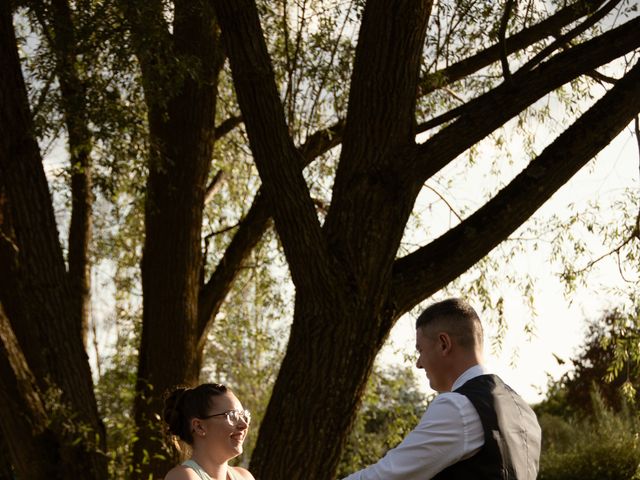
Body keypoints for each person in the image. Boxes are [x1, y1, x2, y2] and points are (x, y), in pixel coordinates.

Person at [342, 298, 541, 479]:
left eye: (420, 350)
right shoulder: (526, 413)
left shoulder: (458, 407)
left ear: (444, 344)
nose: (418, 363)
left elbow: (385, 477)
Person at [163, 383, 255, 480]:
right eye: (232, 416)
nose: (244, 425)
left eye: (244, 416)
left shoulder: (244, 476)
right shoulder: (182, 476)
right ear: (199, 427)